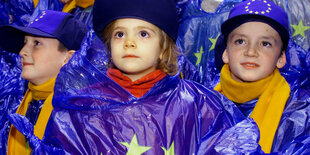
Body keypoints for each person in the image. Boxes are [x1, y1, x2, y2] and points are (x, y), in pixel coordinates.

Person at [37, 0, 260, 154]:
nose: (129, 42)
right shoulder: (82, 108)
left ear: (164, 48)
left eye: (143, 34)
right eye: (119, 33)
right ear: (108, 46)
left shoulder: (199, 104)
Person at [0, 10, 88, 154]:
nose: (23, 52)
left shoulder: (78, 117)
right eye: (25, 42)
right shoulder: (22, 103)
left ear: (68, 58)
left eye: (37, 43)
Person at [213, 0, 292, 153]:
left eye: (265, 43)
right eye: (240, 41)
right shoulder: (203, 100)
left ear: (281, 58)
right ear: (225, 53)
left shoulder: (296, 112)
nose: (251, 52)